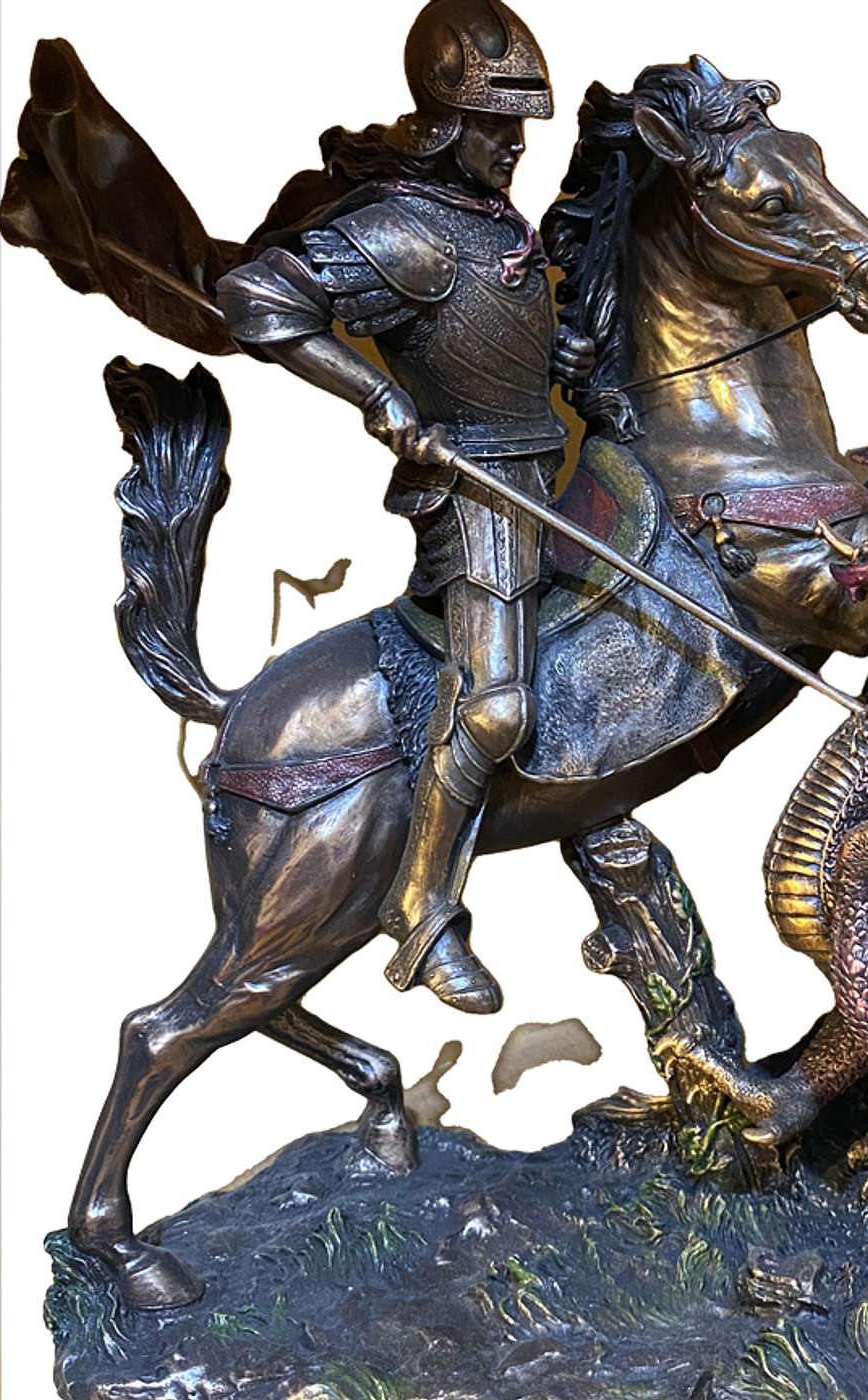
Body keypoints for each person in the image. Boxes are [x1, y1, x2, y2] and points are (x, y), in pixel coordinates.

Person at [217, 0, 594, 1013]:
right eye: (495, 126)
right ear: (443, 121)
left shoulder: (489, 216)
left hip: (546, 475)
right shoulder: (408, 232)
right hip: (475, 497)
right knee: (498, 708)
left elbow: (499, 337)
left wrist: (555, 353)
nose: (514, 146)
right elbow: (256, 298)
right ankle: (423, 911)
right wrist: (376, 392)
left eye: (520, 127)